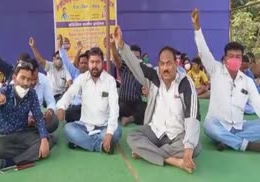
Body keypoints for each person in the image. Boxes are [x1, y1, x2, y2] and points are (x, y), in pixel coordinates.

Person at [115, 26, 201, 173]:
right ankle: (173, 161)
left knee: (195, 146)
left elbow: (192, 116)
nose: (165, 68)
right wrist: (121, 45)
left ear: (176, 64)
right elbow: (136, 66)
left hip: (177, 134)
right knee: (132, 137)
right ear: (158, 65)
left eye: (169, 63)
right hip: (155, 131)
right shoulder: (154, 76)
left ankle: (147, 153)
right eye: (162, 63)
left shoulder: (185, 83)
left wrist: (188, 149)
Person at [191, 8, 260, 152]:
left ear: (242, 59)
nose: (235, 59)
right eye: (231, 56)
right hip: (218, 124)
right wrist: (197, 27)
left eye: (238, 56)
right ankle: (246, 145)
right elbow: (204, 52)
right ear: (225, 58)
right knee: (209, 127)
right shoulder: (216, 70)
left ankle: (226, 141)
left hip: (240, 127)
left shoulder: (247, 81)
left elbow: (257, 103)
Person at [0, 61, 55, 172]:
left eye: (29, 79)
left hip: (24, 133)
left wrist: (43, 139)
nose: (26, 83)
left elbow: (38, 117)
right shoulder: (4, 92)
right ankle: (30, 153)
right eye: (23, 78)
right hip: (6, 137)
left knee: (48, 139)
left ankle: (12, 161)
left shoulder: (31, 94)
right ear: (14, 77)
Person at [56, 47, 122, 154]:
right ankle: (100, 146)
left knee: (117, 132)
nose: (94, 65)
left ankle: (82, 142)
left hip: (103, 127)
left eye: (97, 62)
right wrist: (61, 107)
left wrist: (109, 133)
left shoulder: (110, 81)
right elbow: (69, 94)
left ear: (102, 63)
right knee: (68, 128)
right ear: (89, 63)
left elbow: (115, 109)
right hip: (85, 126)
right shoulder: (82, 79)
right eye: (92, 62)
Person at [110, 40, 146, 126]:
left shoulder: (143, 70)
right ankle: (134, 117)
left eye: (137, 57)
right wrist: (112, 45)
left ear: (140, 58)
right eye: (132, 57)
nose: (134, 60)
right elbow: (115, 57)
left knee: (147, 109)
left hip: (136, 102)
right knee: (118, 108)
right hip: (124, 102)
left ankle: (129, 119)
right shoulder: (124, 67)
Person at [29, 37, 72, 101]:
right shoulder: (50, 66)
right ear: (53, 60)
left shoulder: (64, 68)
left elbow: (69, 81)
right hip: (50, 97)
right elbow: (40, 60)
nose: (59, 60)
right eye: (57, 58)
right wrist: (33, 47)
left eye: (61, 58)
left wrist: (69, 90)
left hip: (62, 96)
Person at [57, 36, 88, 122]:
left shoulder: (93, 76)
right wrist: (60, 47)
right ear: (78, 64)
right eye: (81, 63)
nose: (84, 65)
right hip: (75, 107)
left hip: (88, 108)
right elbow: (65, 60)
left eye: (86, 63)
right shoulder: (75, 73)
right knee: (68, 114)